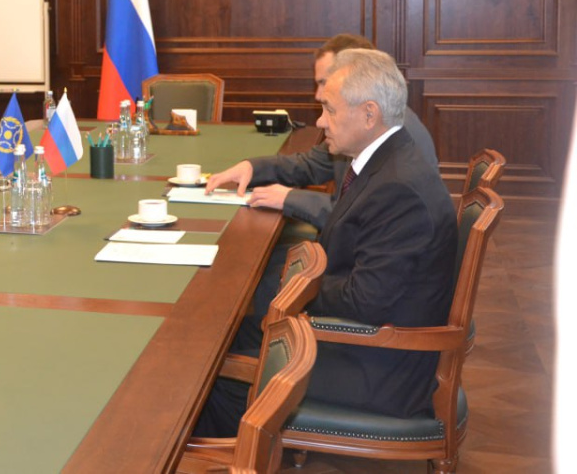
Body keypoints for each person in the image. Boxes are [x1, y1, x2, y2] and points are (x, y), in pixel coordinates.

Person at [194, 49, 457, 435]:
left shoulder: (399, 189)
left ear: (370, 114)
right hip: (365, 338)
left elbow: (363, 300)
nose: (320, 121)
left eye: (330, 110)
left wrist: (294, 285)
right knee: (228, 332)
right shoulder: (386, 161)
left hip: (379, 367)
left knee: (210, 378)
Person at [206, 33, 437, 230]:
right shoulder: (359, 128)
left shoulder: (394, 137)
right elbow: (310, 165)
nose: (318, 95)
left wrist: (289, 197)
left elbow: (362, 217)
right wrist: (252, 167)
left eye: (326, 82)